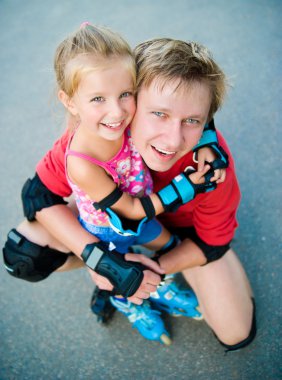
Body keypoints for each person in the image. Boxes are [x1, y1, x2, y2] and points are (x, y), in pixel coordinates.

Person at [3, 28, 255, 350]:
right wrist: (104, 263)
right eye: (158, 114)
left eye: (192, 121)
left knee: (236, 332)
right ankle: (121, 280)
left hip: (183, 236)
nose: (173, 140)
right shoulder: (103, 135)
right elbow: (37, 196)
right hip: (116, 221)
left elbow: (211, 244)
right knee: (26, 253)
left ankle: (144, 280)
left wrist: (147, 272)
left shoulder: (211, 168)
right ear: (134, 98)